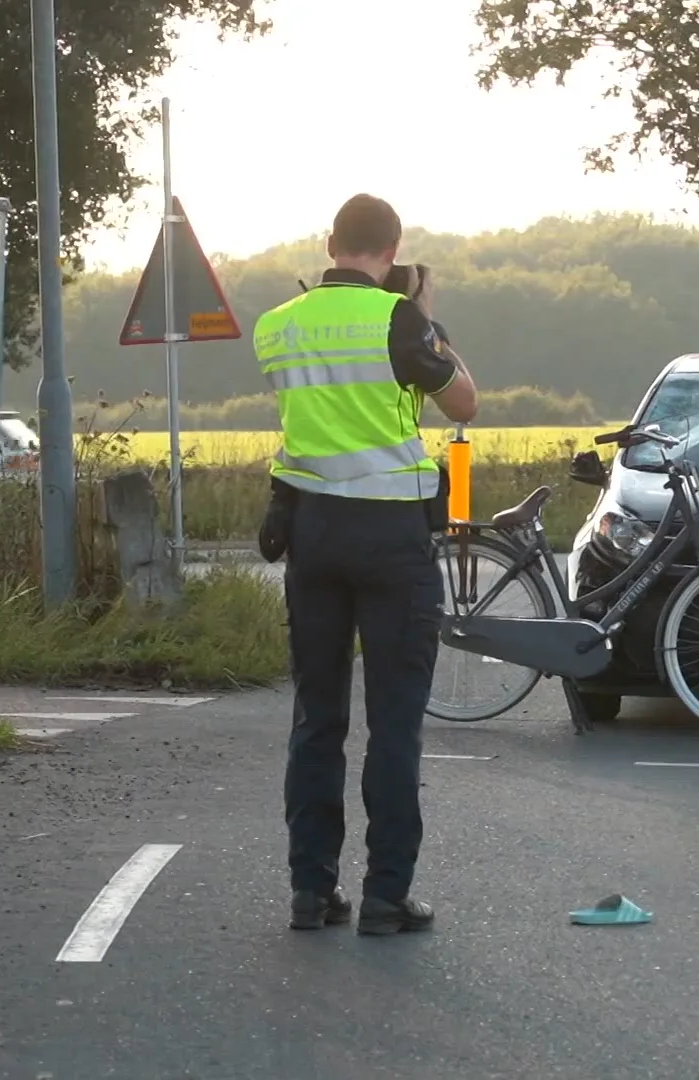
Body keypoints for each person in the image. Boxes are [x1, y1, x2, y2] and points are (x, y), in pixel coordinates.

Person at [253, 193, 478, 935]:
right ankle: (386, 894)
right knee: (394, 723)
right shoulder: (401, 321)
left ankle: (310, 891)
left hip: (313, 532)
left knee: (317, 718)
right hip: (391, 539)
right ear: (395, 248)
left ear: (330, 243)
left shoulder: (277, 327)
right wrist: (426, 316)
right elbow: (464, 405)